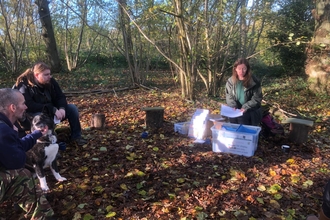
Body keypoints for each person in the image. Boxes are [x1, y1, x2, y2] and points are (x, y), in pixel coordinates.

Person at [0, 88, 55, 219]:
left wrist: (36, 134)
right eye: (23, 103)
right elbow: (17, 161)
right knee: (22, 174)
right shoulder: (2, 130)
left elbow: (14, 147)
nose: (26, 106)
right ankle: (42, 215)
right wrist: (12, 133)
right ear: (13, 107)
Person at [14, 61, 87, 146]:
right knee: (40, 117)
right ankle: (47, 145)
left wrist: (62, 108)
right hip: (32, 116)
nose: (50, 77)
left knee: (72, 108)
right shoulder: (24, 85)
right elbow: (29, 105)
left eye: (49, 74)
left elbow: (60, 96)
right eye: (46, 75)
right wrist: (52, 109)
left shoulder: (50, 81)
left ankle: (76, 137)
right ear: (37, 75)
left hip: (51, 111)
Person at [225, 58, 263, 126]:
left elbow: (257, 98)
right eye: (239, 68)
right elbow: (228, 96)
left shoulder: (254, 81)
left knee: (242, 120)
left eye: (244, 68)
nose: (241, 71)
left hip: (250, 110)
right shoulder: (230, 81)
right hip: (235, 110)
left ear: (247, 69)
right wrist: (233, 105)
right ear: (235, 69)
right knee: (233, 123)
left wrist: (245, 107)